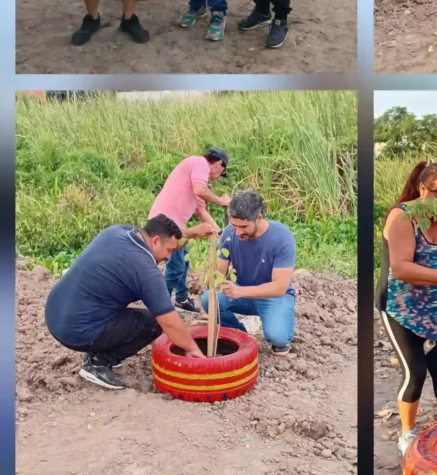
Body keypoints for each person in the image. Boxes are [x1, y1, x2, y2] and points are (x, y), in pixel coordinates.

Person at [375, 161, 437, 456]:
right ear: (422, 189)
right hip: (399, 307)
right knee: (415, 371)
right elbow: (401, 268)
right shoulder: (401, 218)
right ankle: (406, 433)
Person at [44, 215, 207, 391]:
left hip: (55, 312)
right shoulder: (146, 270)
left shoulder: (116, 231)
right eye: (169, 250)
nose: (169, 257)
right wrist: (192, 348)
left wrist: (193, 232)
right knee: (153, 323)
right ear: (156, 240)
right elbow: (170, 323)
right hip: (76, 331)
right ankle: (98, 363)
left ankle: (96, 346)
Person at [202, 190, 296, 356]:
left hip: (272, 296)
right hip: (242, 294)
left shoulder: (281, 237)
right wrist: (211, 277)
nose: (238, 232)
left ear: (259, 218)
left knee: (278, 337)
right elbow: (219, 272)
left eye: (244, 227)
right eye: (234, 226)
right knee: (208, 300)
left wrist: (240, 291)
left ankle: (279, 325)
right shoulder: (229, 234)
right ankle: (240, 334)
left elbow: (280, 287)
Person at [149, 147, 231, 311]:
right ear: (219, 164)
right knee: (177, 267)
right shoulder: (199, 163)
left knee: (183, 263)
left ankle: (181, 299)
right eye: (222, 173)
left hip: (176, 226)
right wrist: (221, 201)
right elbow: (199, 190)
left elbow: (201, 211)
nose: (218, 177)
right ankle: (158, 306)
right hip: (165, 224)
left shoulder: (200, 180)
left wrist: (222, 234)